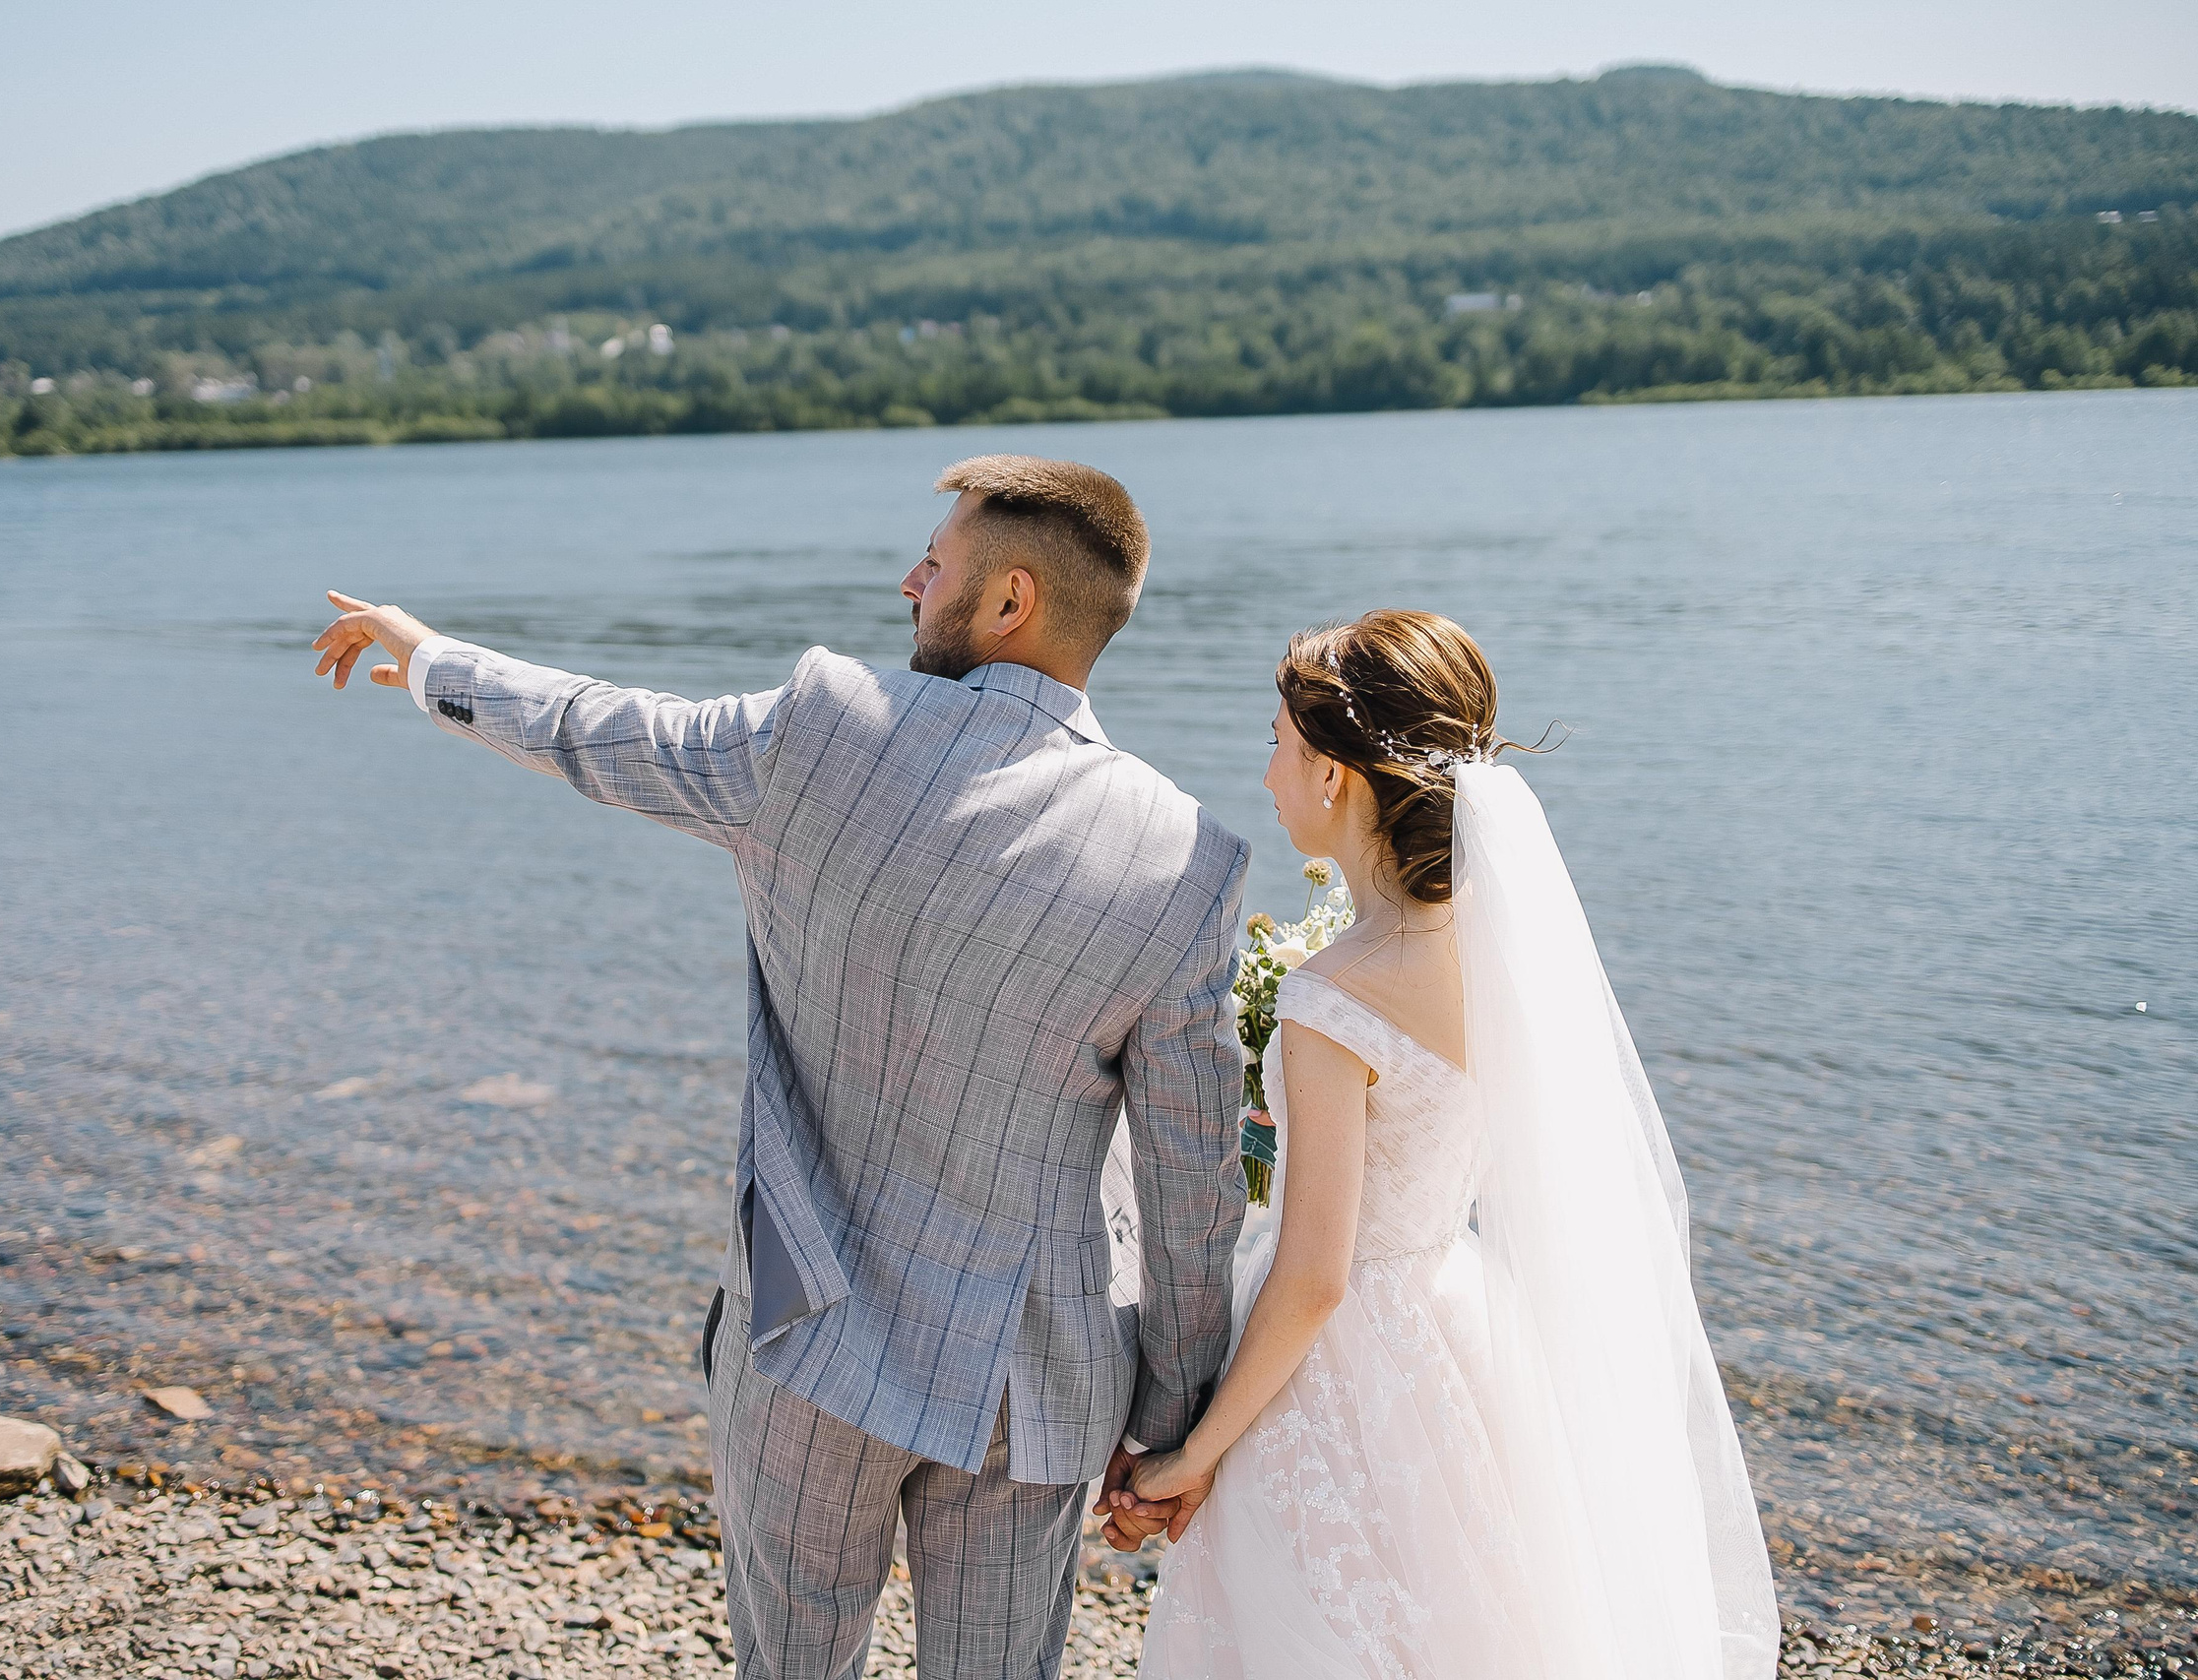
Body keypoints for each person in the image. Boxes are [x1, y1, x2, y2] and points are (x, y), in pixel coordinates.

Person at [310, 456, 1249, 1680]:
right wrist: (1174, 1427)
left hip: (811, 1335)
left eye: (939, 561)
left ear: (1010, 600)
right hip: (1034, 1380)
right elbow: (1193, 1191)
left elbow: (599, 730)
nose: (909, 579)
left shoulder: (824, 729)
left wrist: (432, 658)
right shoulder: (1189, 862)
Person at [1106, 612, 1780, 1680]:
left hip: (1339, 1369)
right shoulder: (1501, 950)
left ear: (1333, 776)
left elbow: (1317, 1276)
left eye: (1277, 744)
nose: (1268, 771)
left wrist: (1196, 1450)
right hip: (1456, 1327)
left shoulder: (1333, 998)